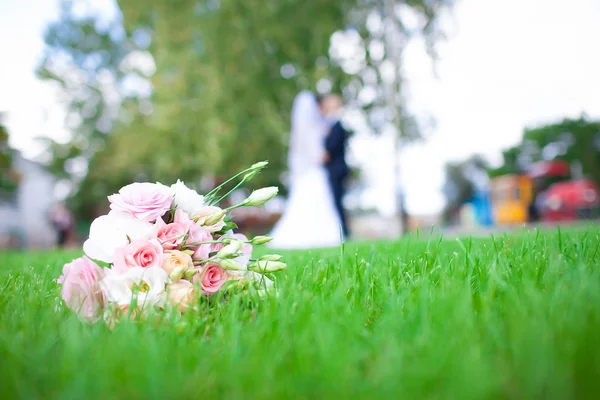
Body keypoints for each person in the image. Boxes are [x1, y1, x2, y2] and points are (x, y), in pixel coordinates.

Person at [268, 91, 343, 249]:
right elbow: (318, 156)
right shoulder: (314, 130)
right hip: (313, 172)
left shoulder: (300, 131)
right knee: (315, 203)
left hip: (305, 174)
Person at [319, 94, 350, 238]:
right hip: (328, 171)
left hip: (336, 171)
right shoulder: (327, 124)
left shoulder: (338, 126)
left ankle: (344, 233)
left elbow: (331, 148)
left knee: (337, 202)